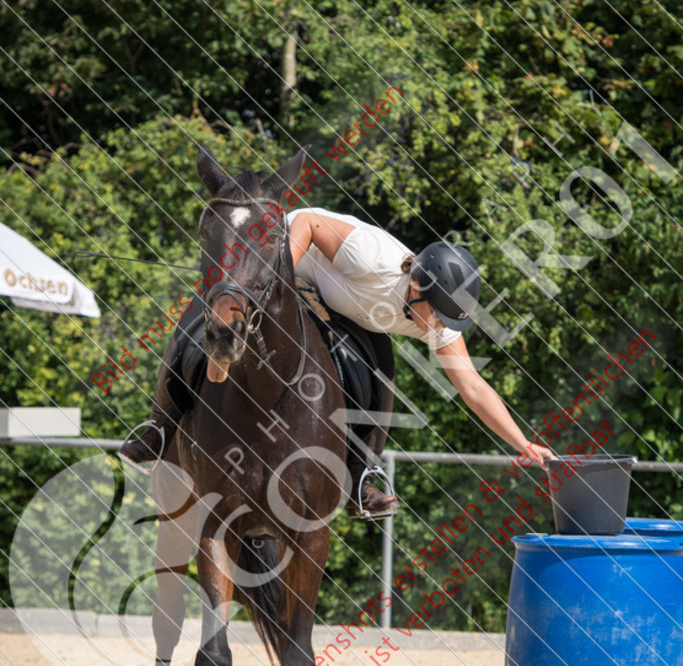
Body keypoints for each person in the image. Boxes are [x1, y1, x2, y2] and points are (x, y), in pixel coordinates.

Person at [120, 206, 553, 517]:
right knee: (202, 317)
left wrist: (524, 444)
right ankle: (159, 425)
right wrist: (277, 277)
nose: (440, 324)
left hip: (344, 304)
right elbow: (306, 222)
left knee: (379, 367)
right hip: (287, 253)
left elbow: (473, 388)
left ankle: (363, 474)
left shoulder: (435, 320)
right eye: (439, 311)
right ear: (418, 285)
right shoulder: (373, 258)